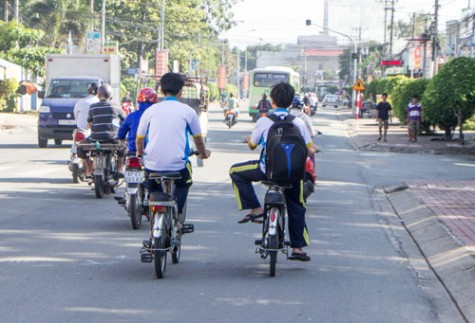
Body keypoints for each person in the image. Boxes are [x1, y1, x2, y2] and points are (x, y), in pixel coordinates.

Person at [229, 82, 315, 261]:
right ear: (291, 102)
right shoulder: (298, 122)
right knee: (297, 206)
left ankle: (255, 207)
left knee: (235, 172)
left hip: (267, 171)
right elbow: (309, 148)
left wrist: (249, 140)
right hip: (294, 174)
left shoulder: (264, 120)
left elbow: (253, 145)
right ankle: (298, 248)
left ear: (272, 101)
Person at [136, 73, 211, 221]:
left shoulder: (150, 111)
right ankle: (176, 218)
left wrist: (140, 153)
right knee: (184, 184)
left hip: (152, 165)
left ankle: (153, 202)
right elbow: (199, 141)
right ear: (180, 91)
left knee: (149, 182)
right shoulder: (188, 111)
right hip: (178, 165)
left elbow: (140, 140)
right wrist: (203, 154)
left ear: (162, 91)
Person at [77, 84, 127, 177]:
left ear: (98, 95)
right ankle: (120, 167)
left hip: (95, 138)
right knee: (123, 147)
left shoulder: (93, 107)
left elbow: (88, 123)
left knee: (80, 148)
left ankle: (89, 168)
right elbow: (125, 121)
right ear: (110, 95)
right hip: (112, 138)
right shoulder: (116, 106)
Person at [117, 87, 158, 155]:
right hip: (153, 153)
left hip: (134, 152)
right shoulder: (158, 116)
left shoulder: (132, 116)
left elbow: (122, 132)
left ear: (139, 101)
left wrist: (121, 137)